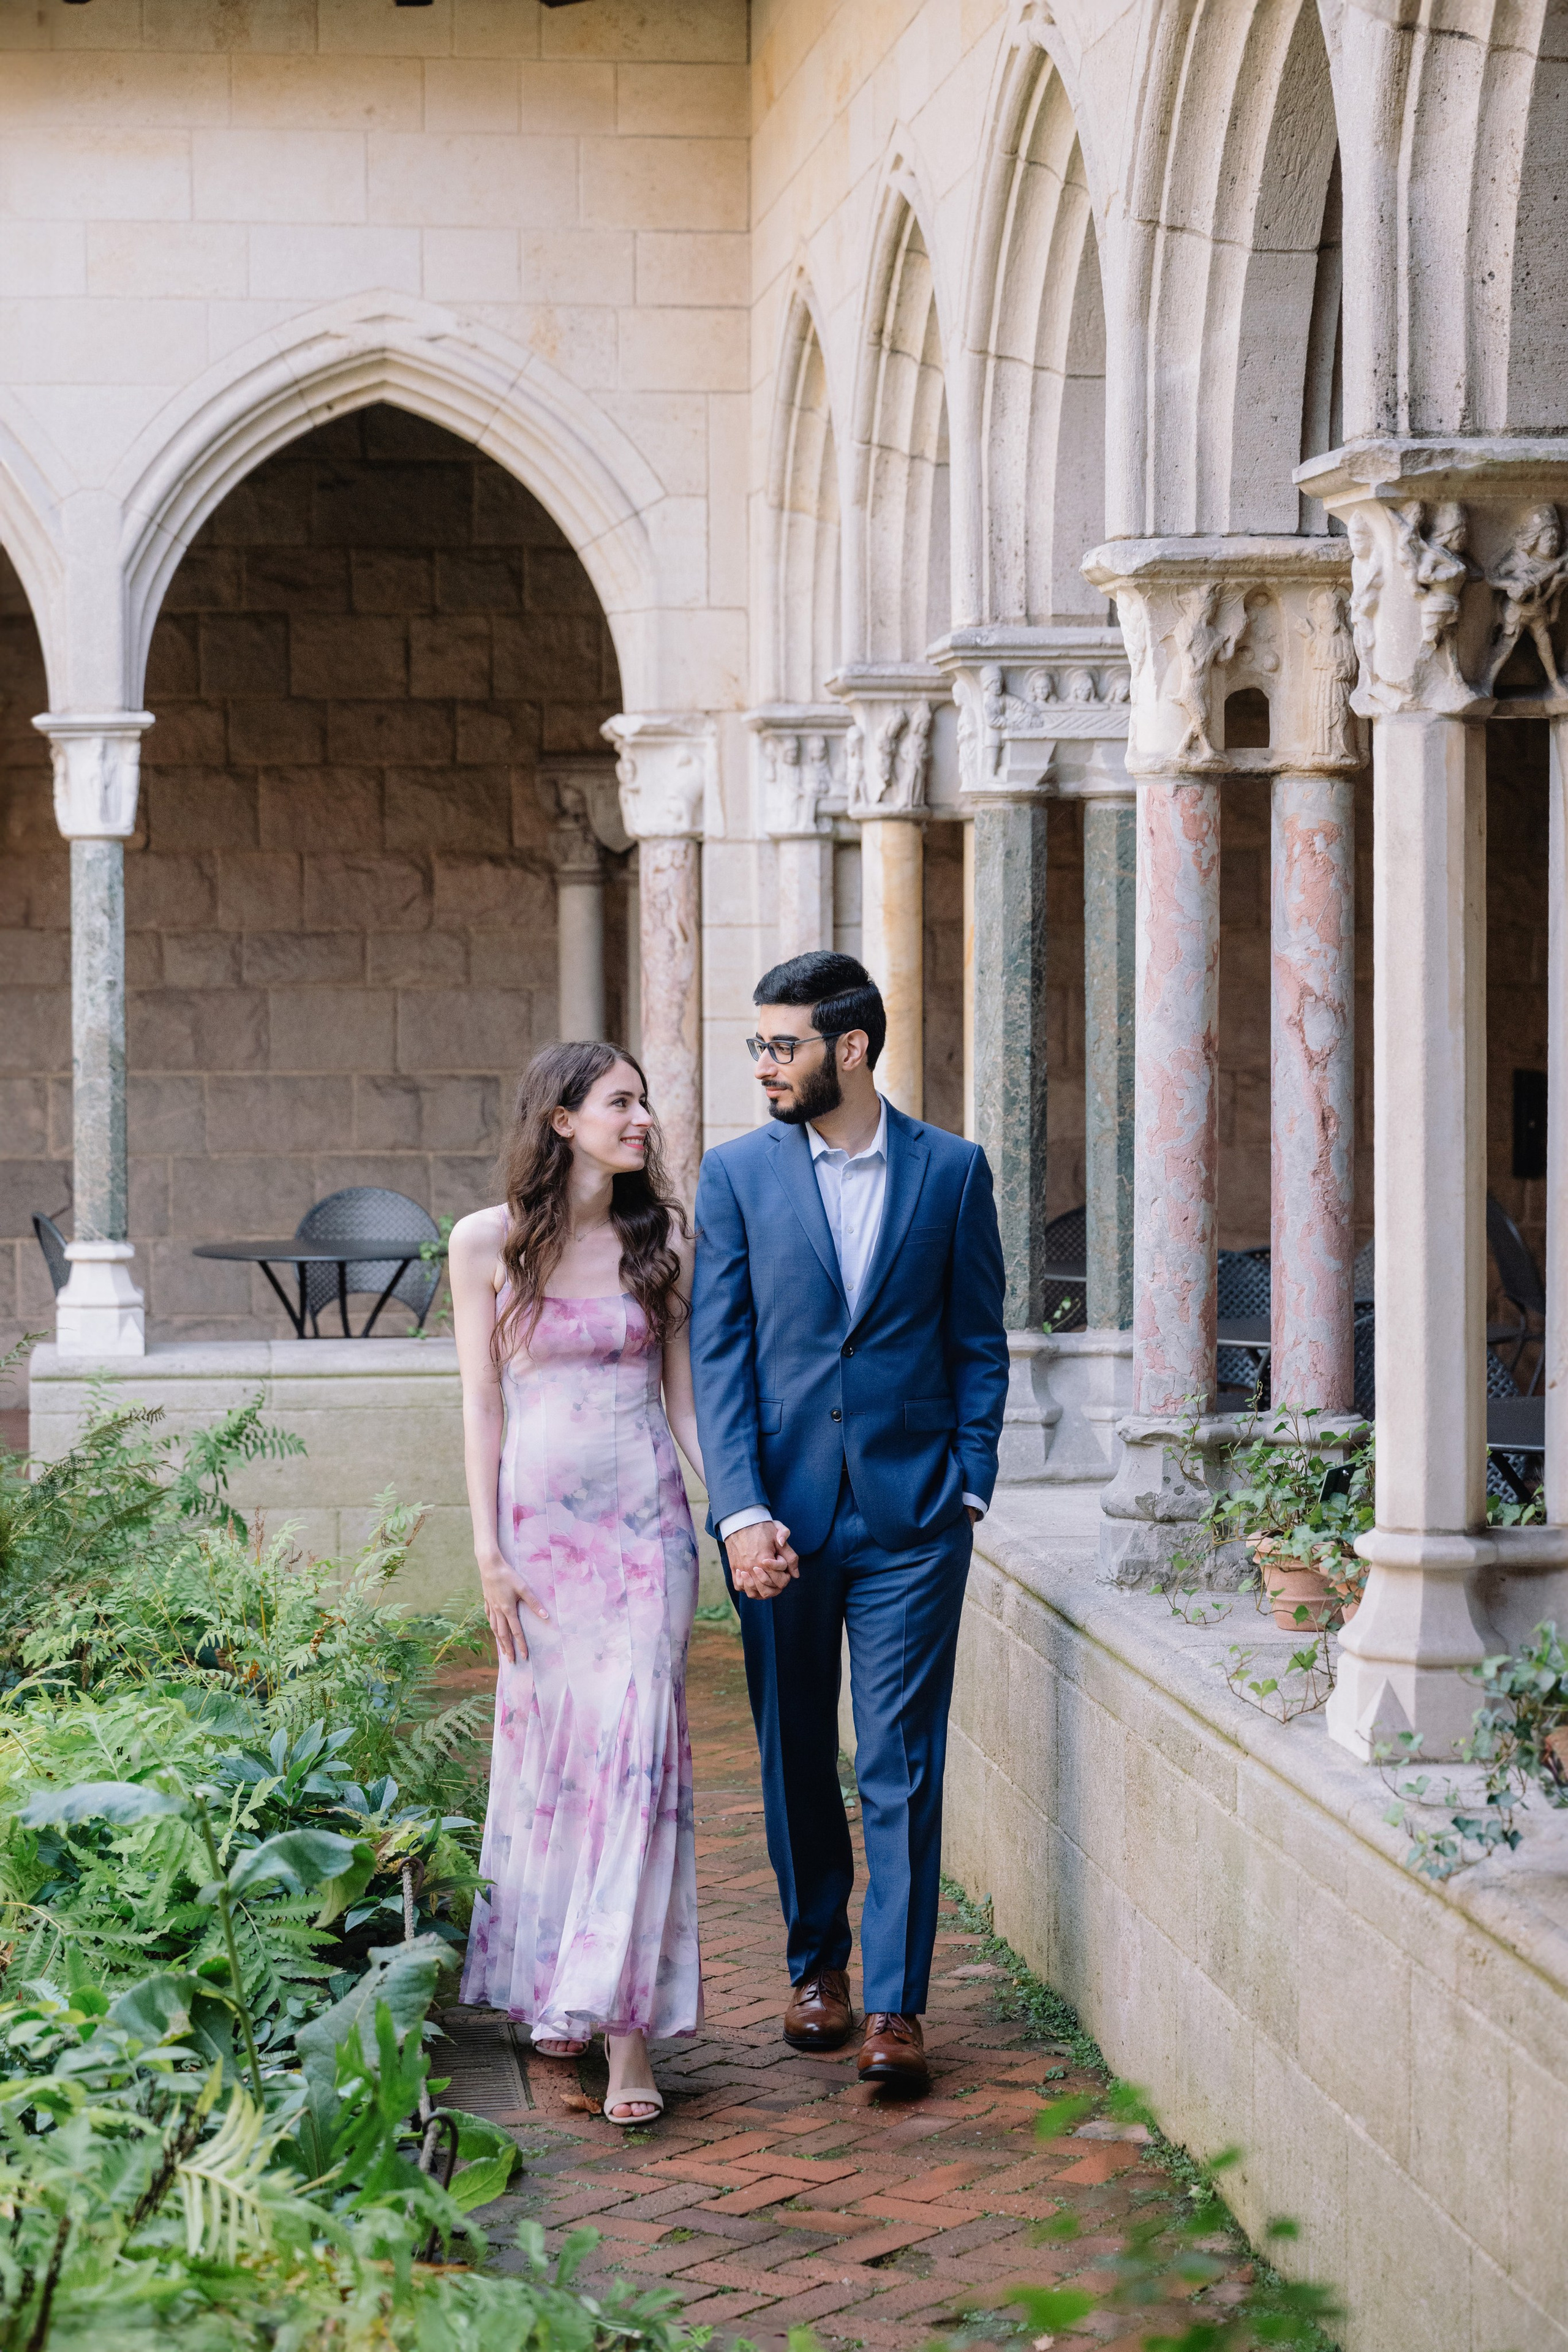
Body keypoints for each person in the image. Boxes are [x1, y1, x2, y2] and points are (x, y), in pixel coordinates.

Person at [690, 951, 1008, 2092]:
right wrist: (738, 1513)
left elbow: (979, 1340)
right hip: (777, 1520)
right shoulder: (734, 1178)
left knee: (900, 1762)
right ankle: (814, 1968)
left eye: (783, 1045)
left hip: (914, 1519)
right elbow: (717, 1360)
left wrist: (969, 1483)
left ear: (852, 1049)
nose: (765, 1064)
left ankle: (894, 2005)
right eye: (760, 1045)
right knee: (792, 1753)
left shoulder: (954, 1173)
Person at [450, 1041, 708, 2126]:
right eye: (620, 1102)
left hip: (648, 1536)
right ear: (562, 1120)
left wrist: (736, 1513)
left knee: (637, 1767)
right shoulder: (486, 1244)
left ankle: (627, 2036)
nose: (641, 1118)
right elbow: (480, 1404)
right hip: (541, 1546)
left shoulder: (664, 1245)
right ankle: (563, 1985)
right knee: (559, 1769)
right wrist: (488, 1556)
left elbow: (685, 1401)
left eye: (643, 1102)